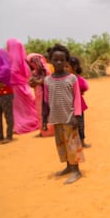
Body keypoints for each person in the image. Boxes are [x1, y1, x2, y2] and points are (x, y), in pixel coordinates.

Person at [43, 43, 84, 184]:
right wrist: (44, 119)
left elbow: (77, 99)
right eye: (55, 60)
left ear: (66, 61)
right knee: (61, 144)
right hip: (56, 117)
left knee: (72, 144)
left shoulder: (72, 79)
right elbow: (46, 100)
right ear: (50, 61)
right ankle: (68, 166)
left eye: (62, 60)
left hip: (69, 118)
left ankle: (76, 170)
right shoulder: (47, 80)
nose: (59, 62)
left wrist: (76, 116)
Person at [6, 38, 39, 134]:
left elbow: (11, 74)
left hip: (16, 87)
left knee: (19, 109)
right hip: (25, 86)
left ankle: (22, 126)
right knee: (27, 107)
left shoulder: (12, 62)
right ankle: (32, 122)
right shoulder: (23, 60)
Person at [26, 53, 54, 137]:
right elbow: (31, 83)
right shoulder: (35, 72)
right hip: (39, 96)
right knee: (40, 113)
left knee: (48, 113)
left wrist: (38, 81)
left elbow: (49, 80)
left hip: (47, 96)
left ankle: (50, 131)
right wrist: (34, 82)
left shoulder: (46, 70)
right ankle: (43, 131)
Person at [66, 56, 91, 148]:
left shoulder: (77, 78)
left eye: (67, 66)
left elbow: (85, 87)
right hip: (68, 107)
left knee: (80, 125)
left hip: (79, 106)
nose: (65, 68)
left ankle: (82, 142)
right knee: (70, 125)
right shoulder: (66, 79)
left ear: (74, 67)